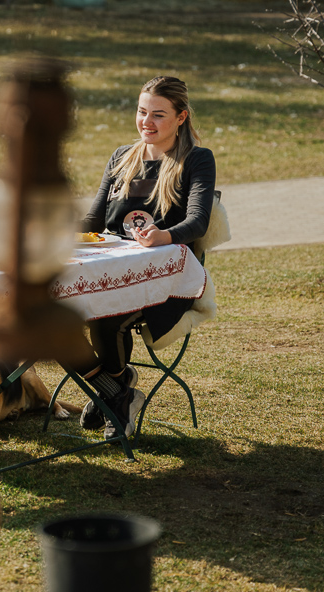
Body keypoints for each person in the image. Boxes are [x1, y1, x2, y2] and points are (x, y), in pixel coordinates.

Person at [77, 75, 216, 439]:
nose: (146, 123)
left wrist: (163, 235)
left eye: (158, 115)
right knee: (61, 312)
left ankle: (112, 393)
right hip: (111, 268)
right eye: (141, 112)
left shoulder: (196, 160)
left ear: (181, 117)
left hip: (164, 275)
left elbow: (198, 221)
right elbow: (93, 221)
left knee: (106, 320)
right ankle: (120, 390)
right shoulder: (122, 157)